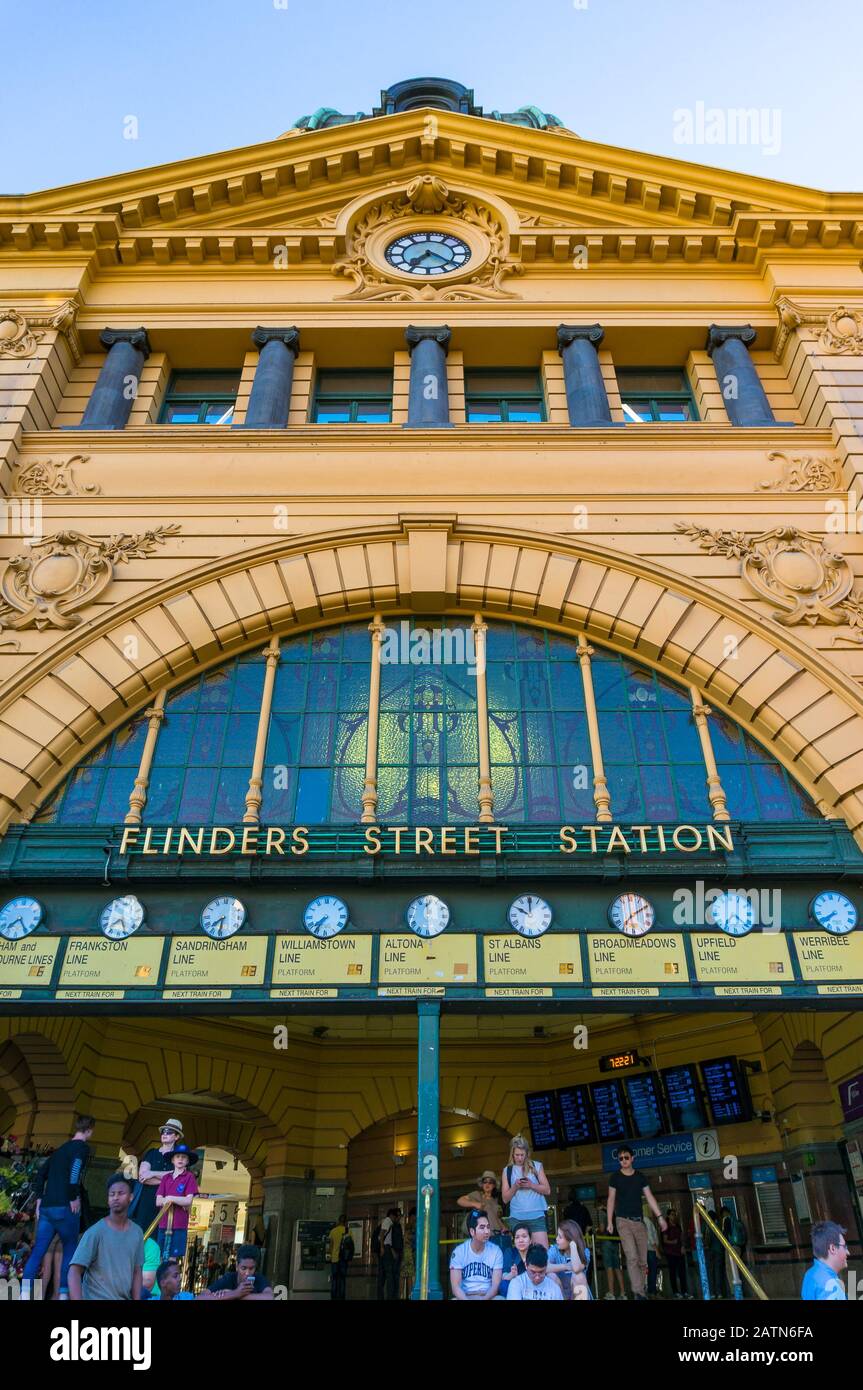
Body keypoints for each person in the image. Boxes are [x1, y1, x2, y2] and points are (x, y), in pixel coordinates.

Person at [21, 1114, 94, 1300]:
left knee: (38, 1252)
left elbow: (40, 1174)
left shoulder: (60, 1150)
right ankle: (62, 1295)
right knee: (70, 1250)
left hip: (47, 1208)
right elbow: (76, 1170)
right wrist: (73, 1196)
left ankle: (24, 1294)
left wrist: (39, 1200)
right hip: (65, 1208)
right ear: (89, 1130)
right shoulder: (82, 1148)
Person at [67, 1174, 144, 1301]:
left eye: (121, 1193)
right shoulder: (95, 1232)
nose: (116, 1197)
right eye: (112, 1194)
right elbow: (74, 1271)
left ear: (131, 1197)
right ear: (108, 1200)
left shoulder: (137, 1232)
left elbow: (137, 1271)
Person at [606, 1146, 667, 1302]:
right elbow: (611, 1199)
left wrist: (660, 1217)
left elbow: (649, 1196)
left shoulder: (640, 1177)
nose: (624, 1160)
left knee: (642, 1260)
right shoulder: (615, 1177)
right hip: (622, 1221)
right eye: (620, 1158)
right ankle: (638, 1292)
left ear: (632, 1158)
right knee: (631, 1257)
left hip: (639, 1222)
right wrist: (609, 1222)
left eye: (626, 1157)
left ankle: (641, 1290)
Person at [132, 1118, 183, 1236]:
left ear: (176, 1137)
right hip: (147, 1203)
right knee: (142, 1236)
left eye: (169, 1132)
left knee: (163, 1238)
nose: (165, 1134)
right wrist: (169, 1179)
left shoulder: (179, 1157)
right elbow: (143, 1177)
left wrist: (153, 1173)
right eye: (163, 1131)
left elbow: (180, 1176)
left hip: (168, 1205)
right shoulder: (152, 1153)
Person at [500, 1134, 551, 1249]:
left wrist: (531, 1185)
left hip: (537, 1216)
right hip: (517, 1218)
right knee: (522, 1256)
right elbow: (505, 1198)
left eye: (522, 1155)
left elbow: (547, 1190)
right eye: (517, 1155)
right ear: (512, 1154)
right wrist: (515, 1186)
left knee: (542, 1254)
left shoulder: (537, 1166)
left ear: (527, 1154)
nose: (520, 1158)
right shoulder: (507, 1170)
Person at [155, 1143, 199, 1260]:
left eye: (184, 1157)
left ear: (187, 1161)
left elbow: (188, 1200)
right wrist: (176, 1200)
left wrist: (170, 1198)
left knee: (172, 1259)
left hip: (179, 1224)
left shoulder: (189, 1177)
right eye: (178, 1156)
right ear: (173, 1160)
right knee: (159, 1257)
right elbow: (158, 1201)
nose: (180, 1159)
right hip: (163, 1223)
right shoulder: (166, 1178)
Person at [449, 1210, 503, 1300]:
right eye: (482, 1227)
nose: (487, 1231)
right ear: (472, 1231)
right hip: (465, 1296)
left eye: (488, 1227)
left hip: (488, 1297)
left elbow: (495, 1287)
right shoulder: (459, 1252)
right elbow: (455, 1287)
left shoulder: (496, 1251)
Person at [199, 1244, 274, 1300]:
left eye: (251, 1268)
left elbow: (270, 1297)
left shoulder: (258, 1278)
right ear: (237, 1266)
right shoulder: (229, 1278)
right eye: (243, 1268)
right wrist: (235, 1293)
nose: (247, 1273)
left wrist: (236, 1294)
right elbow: (200, 1298)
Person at [801, 1221, 848, 1300]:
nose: (848, 1252)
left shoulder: (809, 1274)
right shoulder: (831, 1285)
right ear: (833, 1248)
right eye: (844, 1247)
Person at [596, 1209, 625, 1299]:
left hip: (607, 1241)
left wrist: (597, 1231)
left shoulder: (602, 1213)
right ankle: (623, 1293)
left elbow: (602, 1228)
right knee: (617, 1268)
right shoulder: (615, 1213)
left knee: (609, 1268)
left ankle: (611, 1293)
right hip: (615, 1242)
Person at [661, 1208, 689, 1299]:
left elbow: (681, 1238)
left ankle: (685, 1291)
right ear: (668, 1216)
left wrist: (682, 1246)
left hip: (679, 1252)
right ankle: (676, 1292)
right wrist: (673, 1242)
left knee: (682, 1273)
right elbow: (664, 1240)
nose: (674, 1216)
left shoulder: (677, 1225)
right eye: (672, 1214)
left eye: (675, 1214)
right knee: (672, 1273)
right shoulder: (666, 1226)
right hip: (670, 1253)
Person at [377, 1206, 403, 1300]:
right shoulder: (388, 1221)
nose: (397, 1218)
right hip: (386, 1250)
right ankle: (390, 1296)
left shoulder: (392, 1223)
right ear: (392, 1215)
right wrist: (382, 1247)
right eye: (396, 1216)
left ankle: (388, 1296)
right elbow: (382, 1234)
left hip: (387, 1249)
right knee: (389, 1274)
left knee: (386, 1274)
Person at [327, 1214, 353, 1300]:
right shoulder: (348, 1231)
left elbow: (330, 1246)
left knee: (334, 1279)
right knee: (342, 1279)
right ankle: (342, 1297)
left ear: (339, 1221)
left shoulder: (333, 1231)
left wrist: (330, 1254)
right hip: (343, 1259)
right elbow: (351, 1246)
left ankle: (333, 1297)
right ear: (346, 1222)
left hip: (334, 1259)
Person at [644, 1209, 660, 1296]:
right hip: (650, 1249)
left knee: (648, 1271)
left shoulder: (640, 1221)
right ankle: (652, 1290)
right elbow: (650, 1236)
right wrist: (656, 1250)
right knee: (652, 1270)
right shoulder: (646, 1220)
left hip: (644, 1249)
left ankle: (649, 1290)